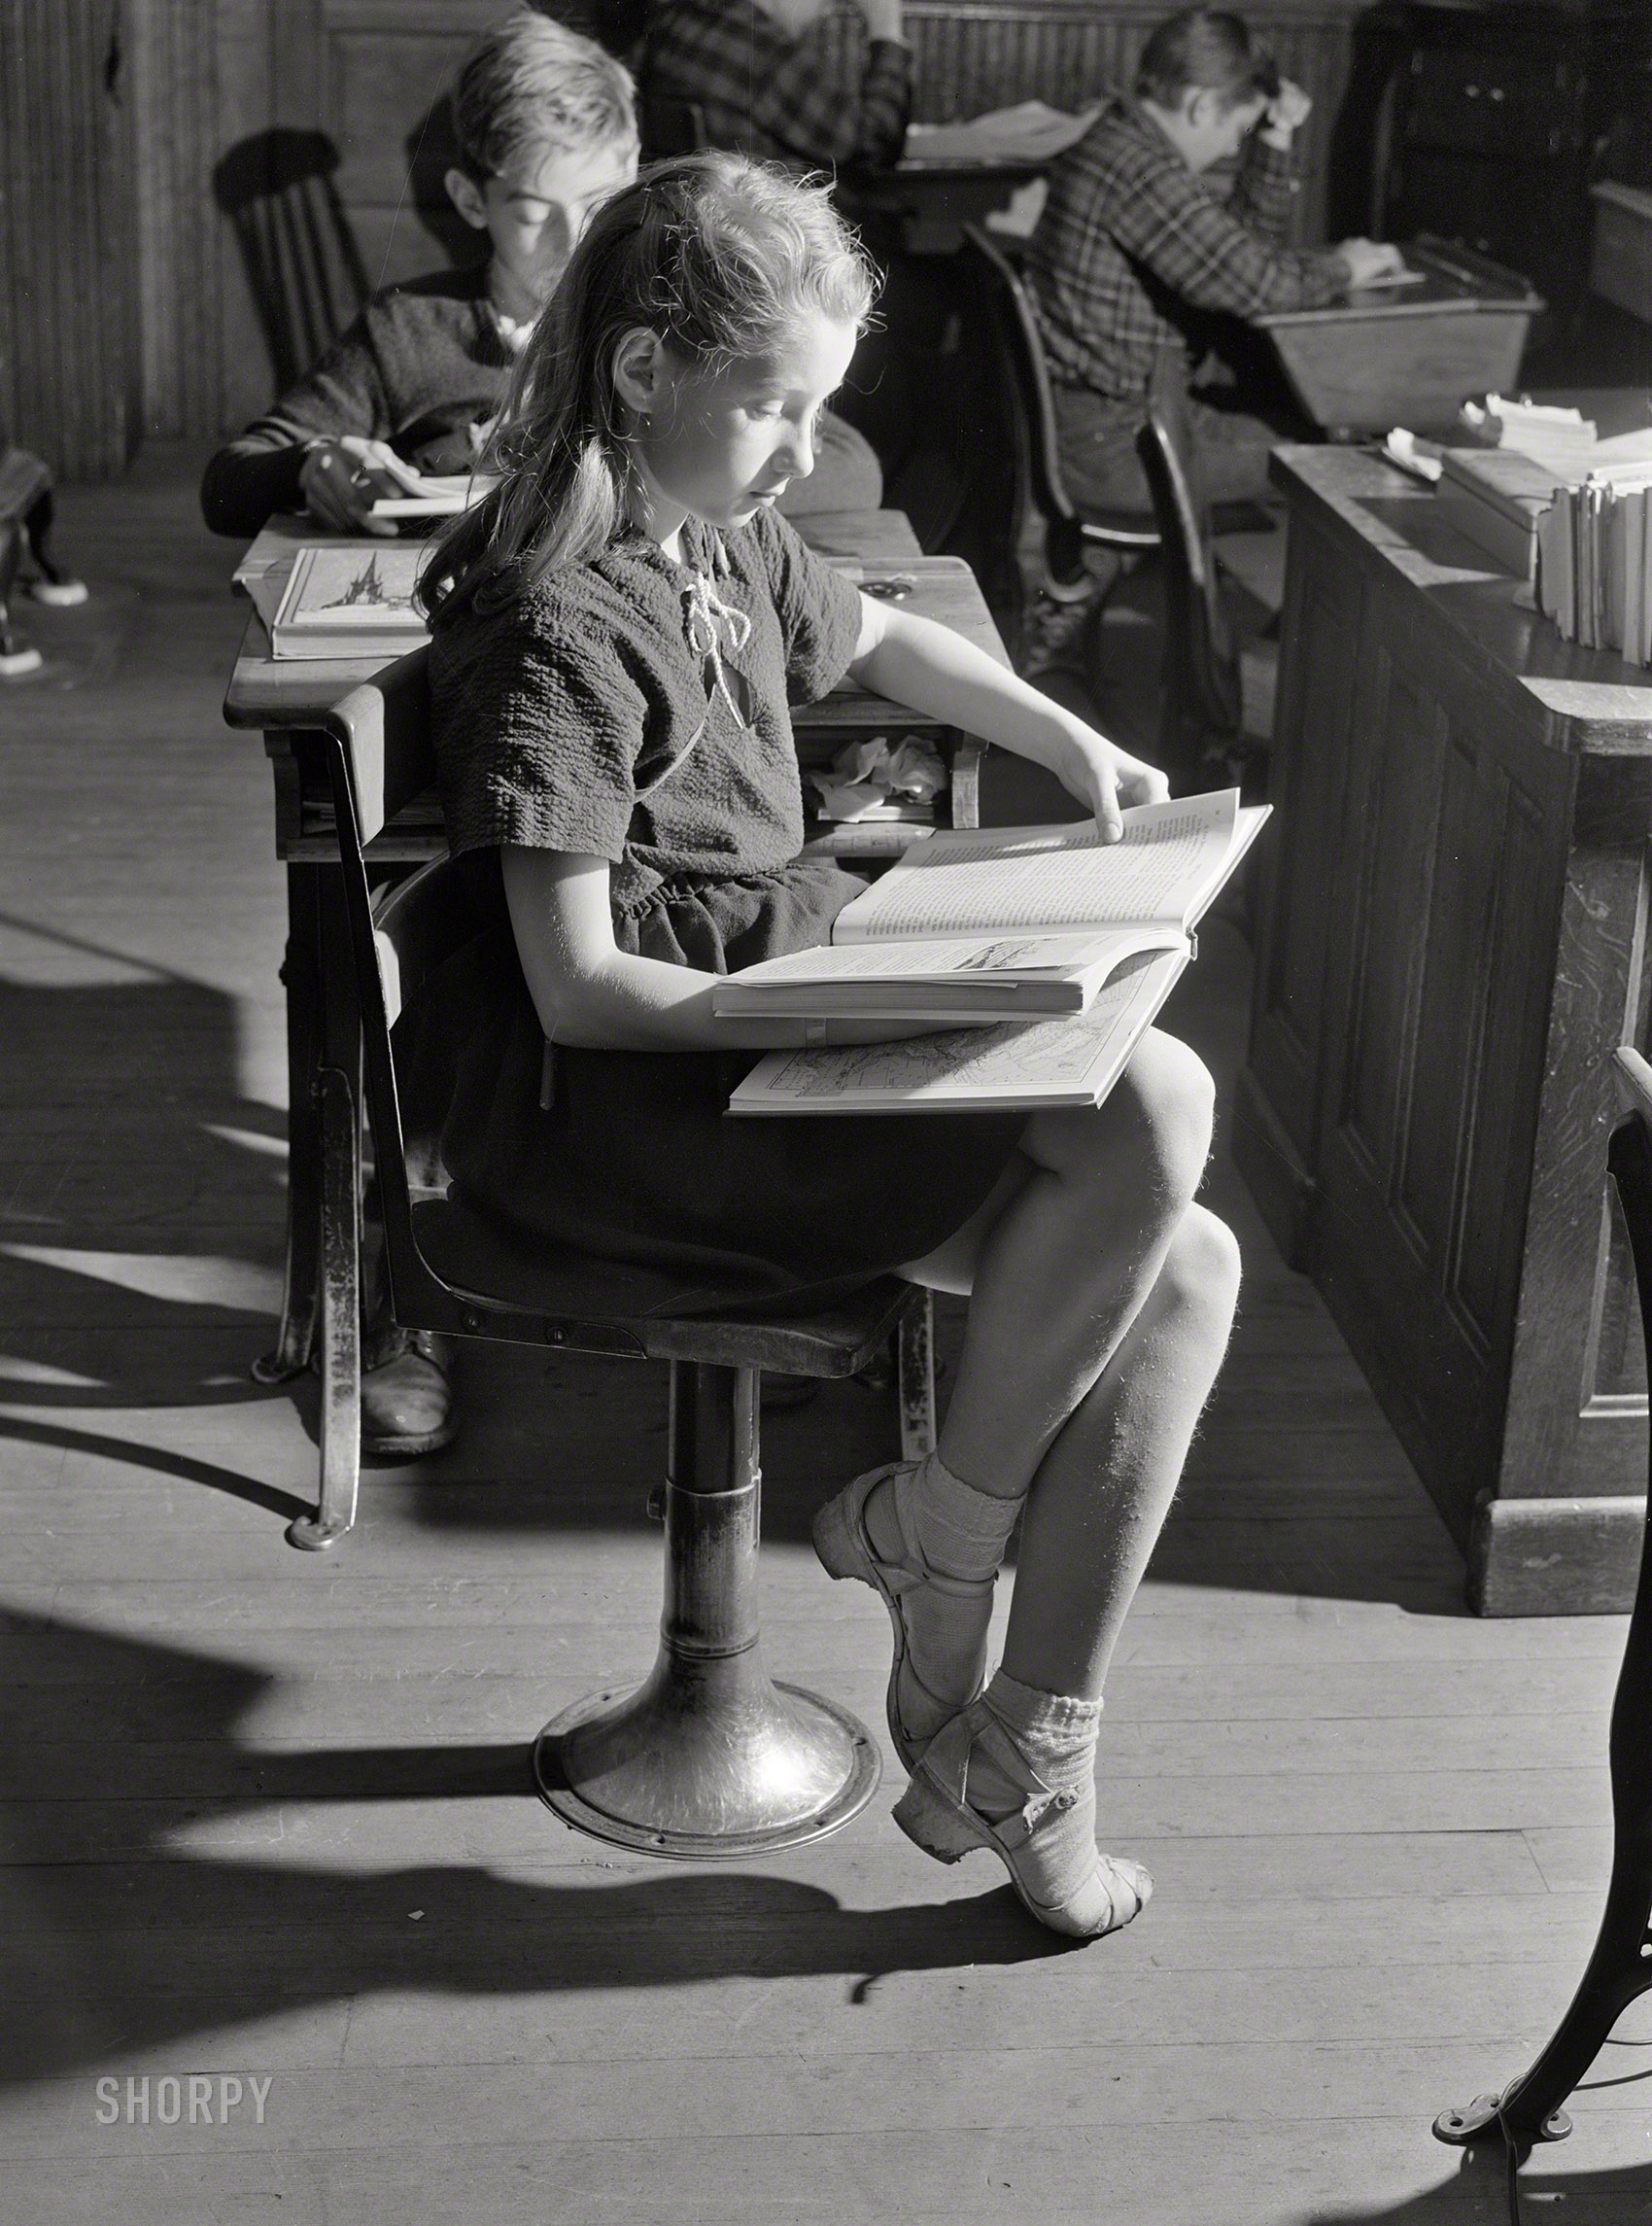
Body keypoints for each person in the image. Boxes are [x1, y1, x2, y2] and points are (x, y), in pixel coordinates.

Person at [417, 153, 1242, 1937]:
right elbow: (576, 989)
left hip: (747, 1048)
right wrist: (845, 1002)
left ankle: (1028, 1746)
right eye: (773, 408)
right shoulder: (554, 621)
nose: (805, 453)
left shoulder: (712, 532)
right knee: (1160, 1097)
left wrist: (1066, 736)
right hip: (633, 1110)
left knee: (1193, 1268)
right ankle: (942, 1557)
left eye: (818, 409)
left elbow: (874, 631)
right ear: (645, 370)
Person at [199, 11, 640, 543]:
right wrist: (310, 464)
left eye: (599, 204)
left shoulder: (660, 315)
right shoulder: (409, 332)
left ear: (633, 170)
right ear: (470, 200)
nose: (573, 241)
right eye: (530, 215)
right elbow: (226, 485)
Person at [1026, 7, 1404, 527]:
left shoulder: (1118, 141)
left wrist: (1275, 135)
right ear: (1201, 105)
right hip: (1125, 450)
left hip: (1111, 426)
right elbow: (1262, 286)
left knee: (1311, 433)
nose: (1232, 147)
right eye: (1240, 129)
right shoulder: (1139, 172)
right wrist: (1346, 266)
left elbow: (1234, 250)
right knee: (1346, 462)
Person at [636, 0, 908, 514]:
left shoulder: (677, 22)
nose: (827, 10)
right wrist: (887, 33)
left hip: (690, 287)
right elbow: (871, 140)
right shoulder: (753, 43)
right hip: (764, 302)